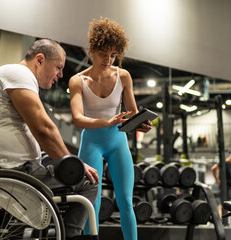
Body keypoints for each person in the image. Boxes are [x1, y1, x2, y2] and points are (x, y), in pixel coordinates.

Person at [0, 38, 99, 240]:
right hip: (16, 171)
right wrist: (73, 165)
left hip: (20, 167)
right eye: (58, 67)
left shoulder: (18, 77)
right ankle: (70, 236)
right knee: (87, 181)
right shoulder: (18, 74)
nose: (60, 75)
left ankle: (62, 233)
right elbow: (44, 129)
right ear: (40, 60)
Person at [69, 17, 152, 240]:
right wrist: (108, 122)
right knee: (91, 203)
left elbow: (132, 112)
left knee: (126, 201)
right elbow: (78, 119)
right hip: (91, 143)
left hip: (118, 142)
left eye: (113, 54)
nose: (108, 59)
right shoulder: (77, 80)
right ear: (92, 51)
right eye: (104, 53)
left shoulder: (123, 76)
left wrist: (141, 124)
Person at [211, 153, 231, 218]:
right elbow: (213, 169)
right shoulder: (224, 163)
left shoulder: (230, 165)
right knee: (224, 204)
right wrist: (216, 179)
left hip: (230, 187)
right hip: (226, 187)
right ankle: (219, 219)